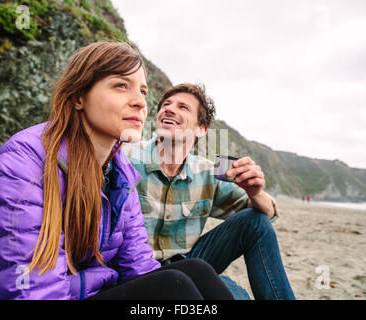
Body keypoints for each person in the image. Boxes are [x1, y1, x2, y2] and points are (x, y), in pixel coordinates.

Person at [0, 42, 232, 300]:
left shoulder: (120, 174)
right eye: (121, 85)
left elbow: (139, 268)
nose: (140, 102)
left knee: (195, 271)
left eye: (143, 91)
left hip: (73, 289)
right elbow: (29, 292)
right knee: (174, 286)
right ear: (78, 97)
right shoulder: (26, 163)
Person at [123, 83, 295, 300]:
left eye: (183, 107)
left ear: (201, 129)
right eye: (166, 104)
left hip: (189, 264)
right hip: (136, 270)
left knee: (255, 222)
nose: (169, 109)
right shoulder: (126, 157)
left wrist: (255, 192)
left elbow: (269, 215)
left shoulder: (208, 172)